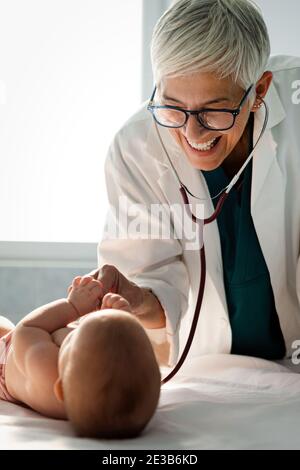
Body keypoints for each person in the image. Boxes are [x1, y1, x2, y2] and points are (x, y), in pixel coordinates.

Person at [88, 0, 300, 369]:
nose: (191, 132)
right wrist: (135, 297)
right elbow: (155, 290)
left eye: (213, 109)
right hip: (206, 371)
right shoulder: (135, 149)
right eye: (172, 106)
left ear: (259, 91)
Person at [0, 275, 161, 439]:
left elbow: (28, 328)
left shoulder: (44, 371)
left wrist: (72, 306)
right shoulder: (88, 399)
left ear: (61, 389)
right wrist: (115, 319)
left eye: (76, 333)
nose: (76, 327)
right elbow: (113, 352)